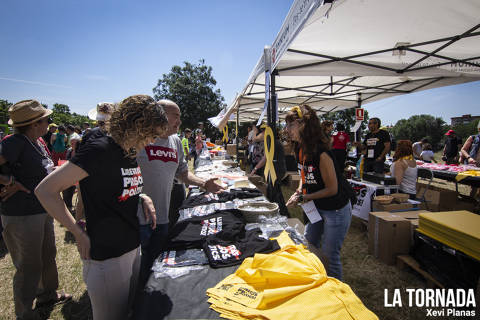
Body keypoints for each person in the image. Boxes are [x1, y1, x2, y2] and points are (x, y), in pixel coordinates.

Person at [35, 95, 164, 320]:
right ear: (137, 125)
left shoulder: (129, 151)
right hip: (106, 256)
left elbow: (114, 184)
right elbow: (45, 191)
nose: (152, 141)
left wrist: (142, 196)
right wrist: (77, 232)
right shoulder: (100, 149)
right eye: (151, 134)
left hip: (132, 247)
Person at [136, 99, 224, 275]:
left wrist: (204, 183)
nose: (180, 121)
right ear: (158, 115)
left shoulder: (175, 141)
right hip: (137, 220)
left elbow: (182, 173)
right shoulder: (139, 140)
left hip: (162, 218)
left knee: (154, 267)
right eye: (176, 116)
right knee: (137, 270)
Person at [0, 99, 70, 320]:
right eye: (46, 120)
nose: (49, 123)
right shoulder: (14, 142)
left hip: (40, 209)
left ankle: (47, 294)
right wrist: (10, 180)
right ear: (34, 124)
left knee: (47, 254)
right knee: (28, 264)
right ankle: (25, 312)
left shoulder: (37, 141)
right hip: (21, 214)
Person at [284, 104, 352, 280]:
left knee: (330, 256)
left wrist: (304, 197)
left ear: (304, 125)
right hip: (316, 206)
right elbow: (304, 176)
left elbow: (332, 189)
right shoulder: (299, 148)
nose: (287, 129)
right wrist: (299, 192)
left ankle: (338, 295)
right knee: (308, 244)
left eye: (291, 125)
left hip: (336, 209)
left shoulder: (321, 153)